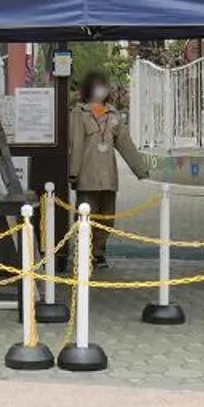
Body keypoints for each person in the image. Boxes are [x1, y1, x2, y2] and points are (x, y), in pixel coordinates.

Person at [67, 73, 149, 268]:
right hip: (87, 174)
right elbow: (76, 143)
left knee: (107, 217)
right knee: (86, 215)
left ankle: (99, 252)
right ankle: (83, 251)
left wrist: (141, 169)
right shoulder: (79, 113)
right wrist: (73, 172)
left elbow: (125, 143)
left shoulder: (113, 114)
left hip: (109, 176)